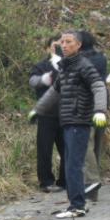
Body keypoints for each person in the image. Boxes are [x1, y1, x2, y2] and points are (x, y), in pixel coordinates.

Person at [33, 31, 108, 218]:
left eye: (69, 42)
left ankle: (77, 206)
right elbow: (54, 91)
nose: (64, 45)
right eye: (62, 42)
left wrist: (100, 111)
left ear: (79, 45)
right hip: (67, 120)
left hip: (79, 120)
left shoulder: (83, 65)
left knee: (73, 165)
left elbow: (99, 87)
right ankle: (76, 204)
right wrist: (38, 110)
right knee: (70, 164)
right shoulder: (66, 67)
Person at [28, 35, 66, 192]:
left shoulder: (70, 64)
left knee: (67, 148)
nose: (58, 48)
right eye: (54, 45)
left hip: (66, 113)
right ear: (47, 48)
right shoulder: (41, 66)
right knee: (45, 149)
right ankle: (46, 181)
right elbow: (32, 81)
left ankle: (65, 180)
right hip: (47, 114)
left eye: (62, 44)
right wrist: (44, 79)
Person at [79, 30, 110, 201]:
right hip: (102, 105)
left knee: (85, 144)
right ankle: (93, 188)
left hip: (87, 106)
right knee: (96, 144)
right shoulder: (101, 58)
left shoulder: (79, 61)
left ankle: (91, 181)